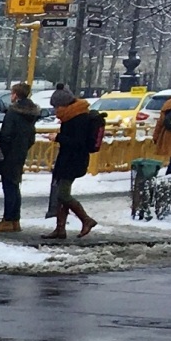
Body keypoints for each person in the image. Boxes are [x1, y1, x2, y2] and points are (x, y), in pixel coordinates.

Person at [45, 86, 102, 240]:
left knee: (63, 194)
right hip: (68, 159)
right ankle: (60, 229)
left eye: (56, 106)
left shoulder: (78, 118)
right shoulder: (70, 116)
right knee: (61, 195)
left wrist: (57, 138)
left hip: (73, 160)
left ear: (64, 105)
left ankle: (86, 220)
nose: (55, 110)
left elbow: (78, 142)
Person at [0, 82, 40, 231]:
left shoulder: (13, 113)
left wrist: (1, 152)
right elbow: (31, 137)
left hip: (10, 154)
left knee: (9, 187)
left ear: (15, 94)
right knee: (15, 185)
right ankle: (15, 220)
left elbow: (6, 135)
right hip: (20, 153)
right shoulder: (30, 114)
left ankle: (7, 219)